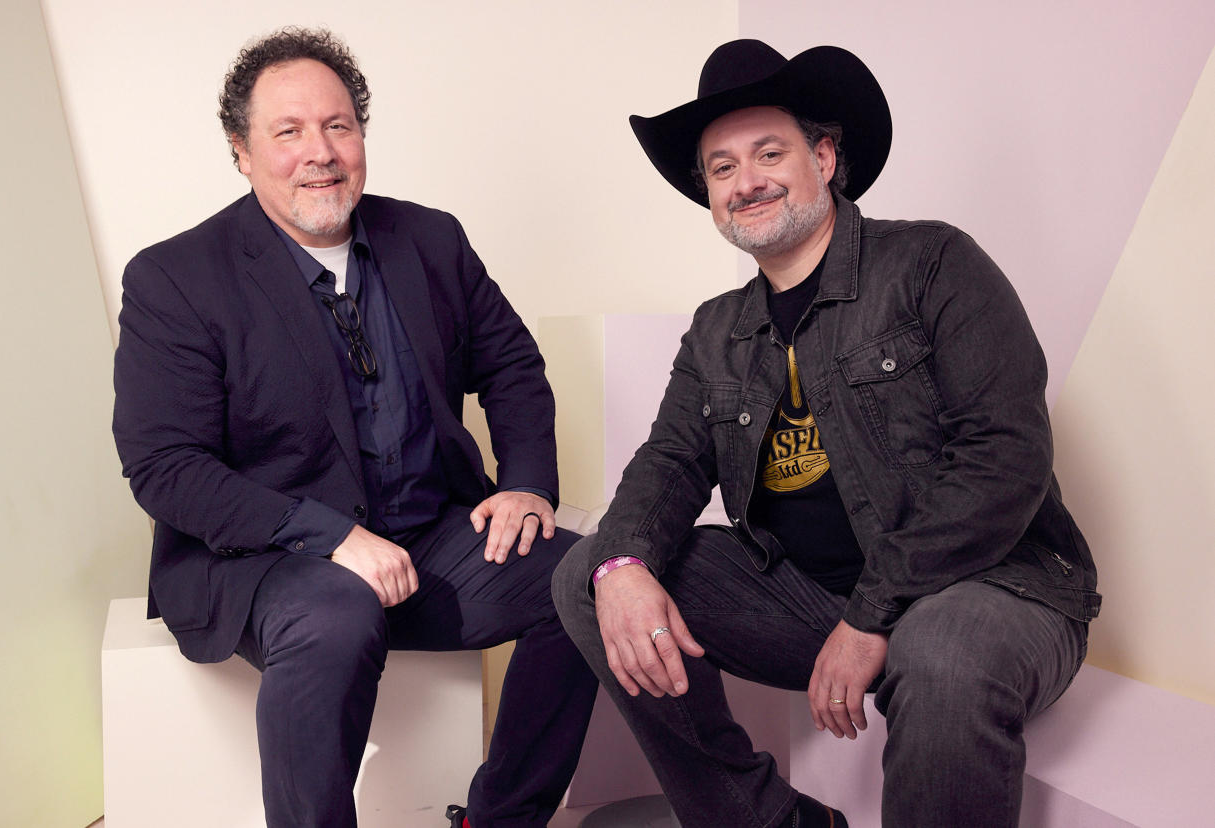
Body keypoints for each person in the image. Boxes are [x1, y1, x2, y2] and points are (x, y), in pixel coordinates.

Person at [552, 39, 1100, 828]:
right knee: (589, 573)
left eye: (768, 152)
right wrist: (623, 563)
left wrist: (871, 614)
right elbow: (668, 462)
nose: (747, 182)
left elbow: (1004, 458)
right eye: (722, 168)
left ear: (824, 156)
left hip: (989, 591)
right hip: (811, 600)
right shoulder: (717, 331)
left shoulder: (933, 264)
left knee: (939, 654)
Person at [112, 27, 596, 828]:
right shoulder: (175, 277)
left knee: (586, 581)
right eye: (288, 132)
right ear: (240, 151)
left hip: (429, 538)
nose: (321, 152)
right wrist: (328, 536)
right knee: (336, 612)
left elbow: (512, 366)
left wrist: (525, 484)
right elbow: (164, 467)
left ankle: (500, 819)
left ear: (362, 135)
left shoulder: (431, 238)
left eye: (338, 126)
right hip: (268, 564)